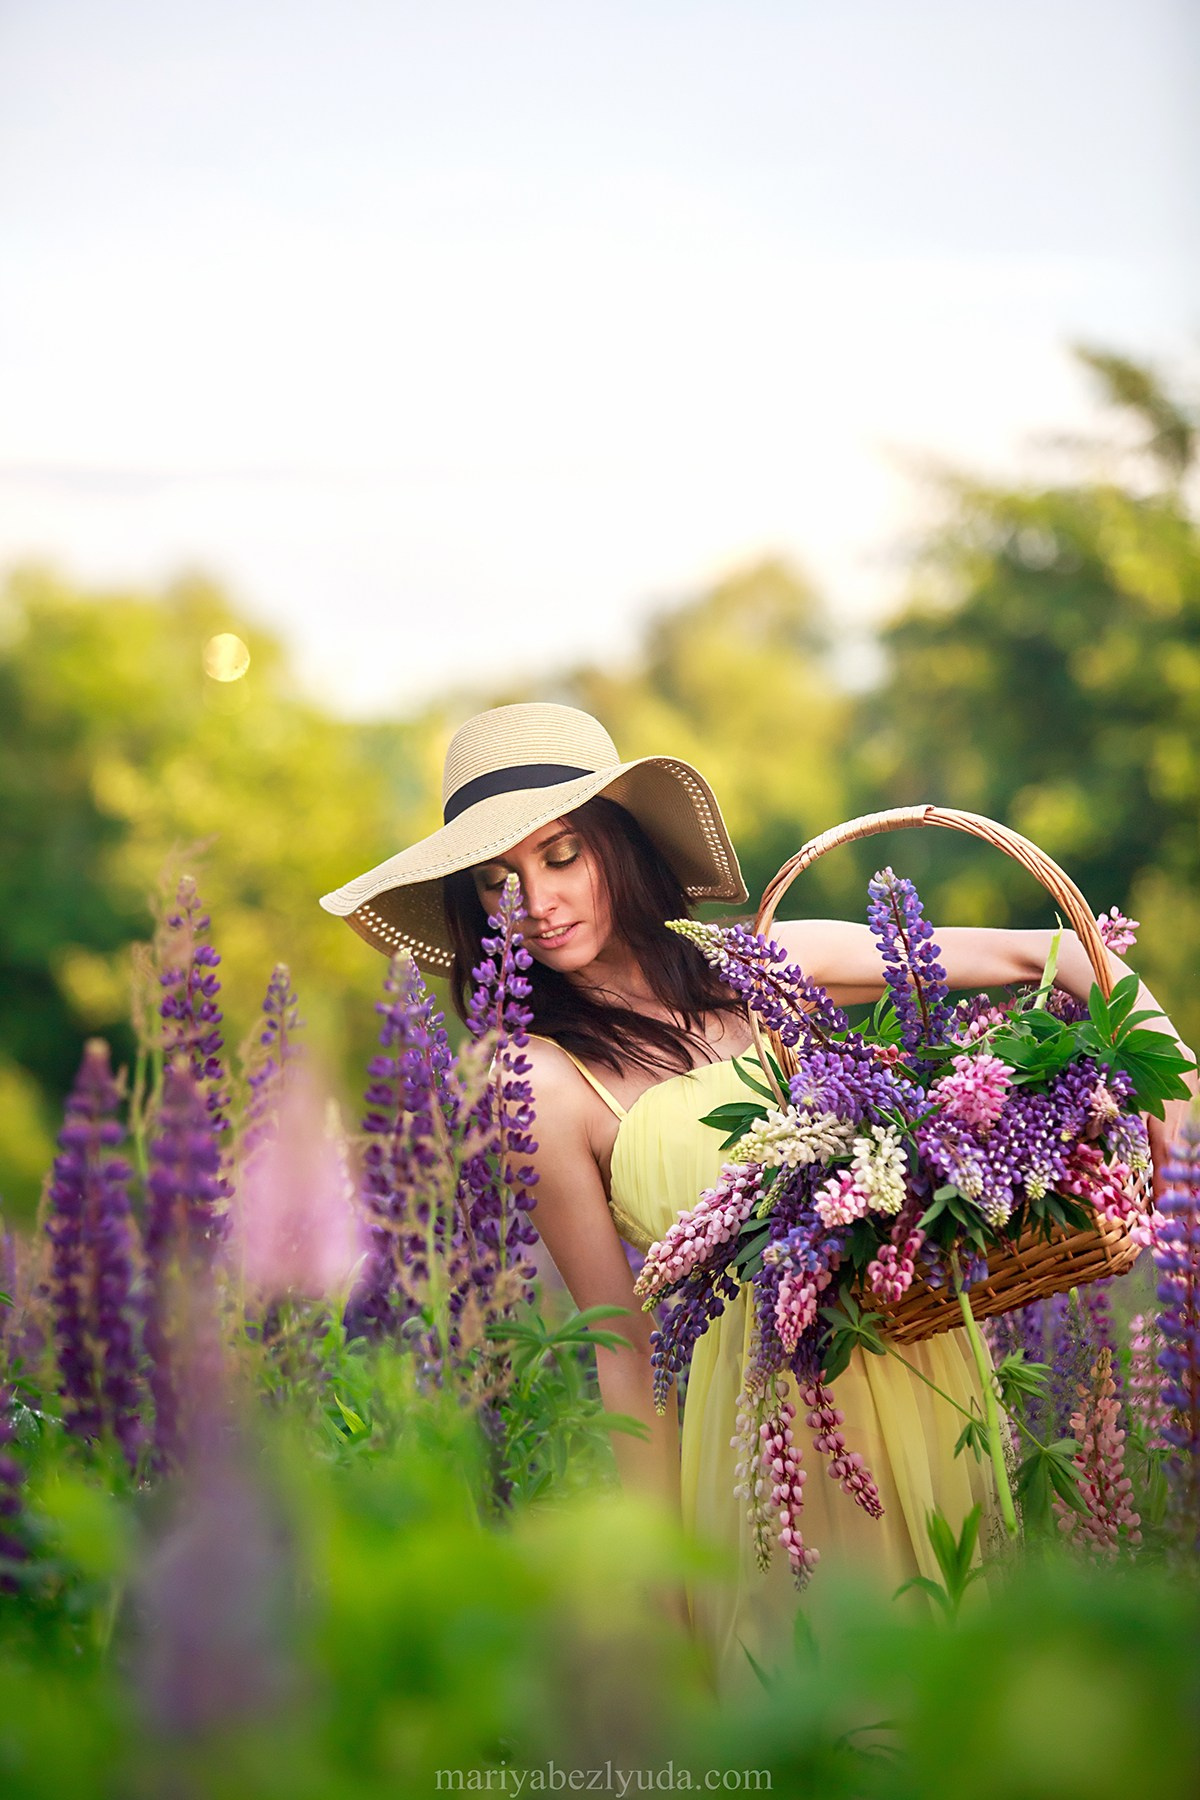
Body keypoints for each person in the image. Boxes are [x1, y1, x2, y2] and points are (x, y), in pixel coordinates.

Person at [321, 701, 1195, 1695]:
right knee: (828, 1721)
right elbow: (625, 1353)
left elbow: (1066, 953)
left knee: (964, 1706)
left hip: (915, 1373)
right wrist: (665, 1599)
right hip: (767, 1444)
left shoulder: (754, 965)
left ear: (617, 844)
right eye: (499, 879)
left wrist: (1178, 1098)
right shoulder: (535, 1073)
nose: (538, 899)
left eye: (561, 854)